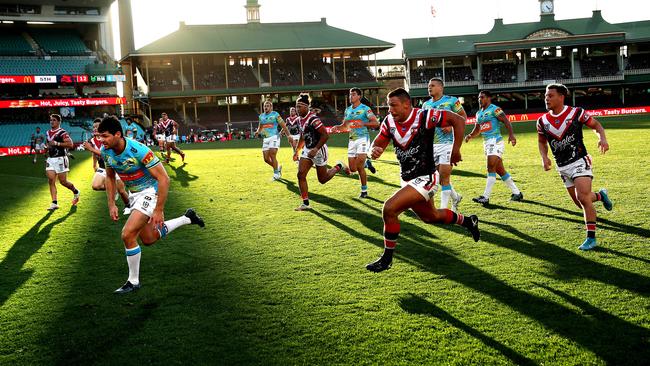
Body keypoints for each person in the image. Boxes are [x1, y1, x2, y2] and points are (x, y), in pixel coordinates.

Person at [366, 88, 480, 272]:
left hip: (426, 177)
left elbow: (458, 120)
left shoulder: (424, 116)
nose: (390, 110)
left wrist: (455, 150)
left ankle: (386, 259)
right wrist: (374, 150)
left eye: (393, 106)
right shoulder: (389, 122)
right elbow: (378, 142)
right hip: (408, 179)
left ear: (406, 104)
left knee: (389, 209)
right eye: (388, 106)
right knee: (431, 217)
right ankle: (469, 222)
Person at [98, 116, 205, 294]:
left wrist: (159, 209)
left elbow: (164, 178)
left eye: (105, 136)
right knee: (148, 238)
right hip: (135, 194)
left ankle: (133, 282)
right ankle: (187, 218)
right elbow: (109, 177)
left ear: (118, 134)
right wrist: (111, 204)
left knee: (127, 234)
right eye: (100, 136)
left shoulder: (138, 150)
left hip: (150, 192)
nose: (101, 140)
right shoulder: (106, 151)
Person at [537, 83, 612, 251]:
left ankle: (591, 239)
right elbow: (542, 142)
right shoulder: (542, 121)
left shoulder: (576, 113)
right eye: (545, 96)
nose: (546, 98)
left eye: (550, 95)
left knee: (583, 198)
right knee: (581, 202)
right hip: (562, 166)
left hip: (579, 160)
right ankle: (600, 196)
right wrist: (544, 157)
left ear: (561, 97)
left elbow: (597, 125)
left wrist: (603, 138)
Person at [465, 90, 523, 205]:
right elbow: (477, 129)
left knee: (490, 167)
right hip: (486, 143)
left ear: (488, 98)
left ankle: (485, 197)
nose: (480, 99)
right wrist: (470, 135)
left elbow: (506, 121)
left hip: (495, 141)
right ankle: (517, 193)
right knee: (500, 170)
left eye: (482, 97)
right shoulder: (478, 114)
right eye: (478, 97)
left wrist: (511, 135)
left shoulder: (495, 109)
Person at [293, 94, 349, 211]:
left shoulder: (313, 119)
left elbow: (325, 135)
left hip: (319, 150)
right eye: (296, 107)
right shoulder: (299, 120)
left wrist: (316, 149)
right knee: (300, 174)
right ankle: (306, 203)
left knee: (322, 179)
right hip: (308, 150)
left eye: (300, 106)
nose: (297, 109)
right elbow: (303, 136)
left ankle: (339, 166)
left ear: (307, 106)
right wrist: (297, 151)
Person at [421, 77, 465, 211]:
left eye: (433, 85)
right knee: (439, 179)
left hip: (447, 144)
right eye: (429, 86)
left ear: (441, 87)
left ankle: (443, 211)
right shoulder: (425, 105)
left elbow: (463, 118)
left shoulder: (452, 101)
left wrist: (452, 126)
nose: (430, 88)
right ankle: (456, 197)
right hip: (431, 145)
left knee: (444, 178)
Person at [331, 88, 380, 198]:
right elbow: (345, 126)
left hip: (363, 138)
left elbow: (375, 123)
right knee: (353, 169)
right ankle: (367, 163)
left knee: (359, 166)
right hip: (352, 140)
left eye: (353, 94)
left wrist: (363, 123)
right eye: (350, 95)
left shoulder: (365, 109)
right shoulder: (347, 110)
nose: (350, 97)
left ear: (359, 96)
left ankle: (364, 191)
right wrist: (337, 128)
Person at [82, 118, 131, 215]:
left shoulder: (108, 138)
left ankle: (128, 205)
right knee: (95, 186)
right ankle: (114, 189)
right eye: (94, 127)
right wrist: (94, 164)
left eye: (97, 127)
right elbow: (95, 154)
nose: (95, 129)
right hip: (103, 167)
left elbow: (105, 154)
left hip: (115, 166)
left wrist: (90, 148)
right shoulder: (91, 140)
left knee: (122, 191)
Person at [45, 114, 80, 211]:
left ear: (59, 122)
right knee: (51, 180)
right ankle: (54, 203)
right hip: (51, 159)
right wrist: (47, 148)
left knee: (63, 182)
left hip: (60, 159)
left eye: (54, 120)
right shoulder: (48, 132)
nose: (52, 122)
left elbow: (70, 144)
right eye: (51, 120)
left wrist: (57, 143)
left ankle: (76, 191)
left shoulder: (62, 132)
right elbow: (48, 144)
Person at [255, 100, 291, 180]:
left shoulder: (275, 114)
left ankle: (276, 174)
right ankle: (277, 167)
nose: (266, 107)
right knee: (266, 159)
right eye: (265, 106)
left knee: (272, 154)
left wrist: (289, 136)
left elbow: (283, 125)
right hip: (266, 138)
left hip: (274, 137)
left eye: (268, 106)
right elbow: (260, 126)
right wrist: (258, 132)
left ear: (271, 107)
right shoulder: (261, 116)